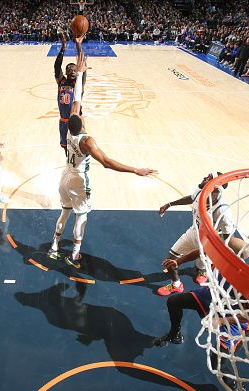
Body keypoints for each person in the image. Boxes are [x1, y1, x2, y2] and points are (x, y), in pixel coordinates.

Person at [48, 44, 157, 269]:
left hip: (64, 176)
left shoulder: (68, 129)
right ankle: (75, 254)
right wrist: (136, 169)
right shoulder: (87, 141)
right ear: (83, 120)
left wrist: (79, 56)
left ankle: (54, 247)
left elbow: (76, 99)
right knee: (82, 217)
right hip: (79, 179)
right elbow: (107, 163)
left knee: (64, 212)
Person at [155, 247, 249, 391]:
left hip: (234, 318)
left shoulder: (247, 283)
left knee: (217, 362)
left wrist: (221, 320)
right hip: (212, 298)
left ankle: (234, 384)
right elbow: (202, 250)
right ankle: (174, 335)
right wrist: (178, 261)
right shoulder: (222, 255)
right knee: (174, 302)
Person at [157, 172, 235, 296]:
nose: (204, 177)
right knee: (170, 259)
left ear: (214, 186)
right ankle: (176, 285)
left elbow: (228, 238)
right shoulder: (201, 191)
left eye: (208, 177)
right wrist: (169, 204)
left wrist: (218, 253)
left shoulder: (223, 211)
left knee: (202, 263)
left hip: (210, 242)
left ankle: (203, 270)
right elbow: (192, 198)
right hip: (193, 233)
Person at [54, 30, 86, 155]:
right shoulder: (61, 82)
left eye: (74, 69)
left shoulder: (77, 85)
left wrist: (78, 46)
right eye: (69, 69)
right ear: (66, 72)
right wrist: (63, 48)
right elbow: (57, 67)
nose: (72, 71)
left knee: (78, 149)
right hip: (63, 121)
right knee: (66, 149)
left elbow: (82, 65)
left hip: (76, 121)